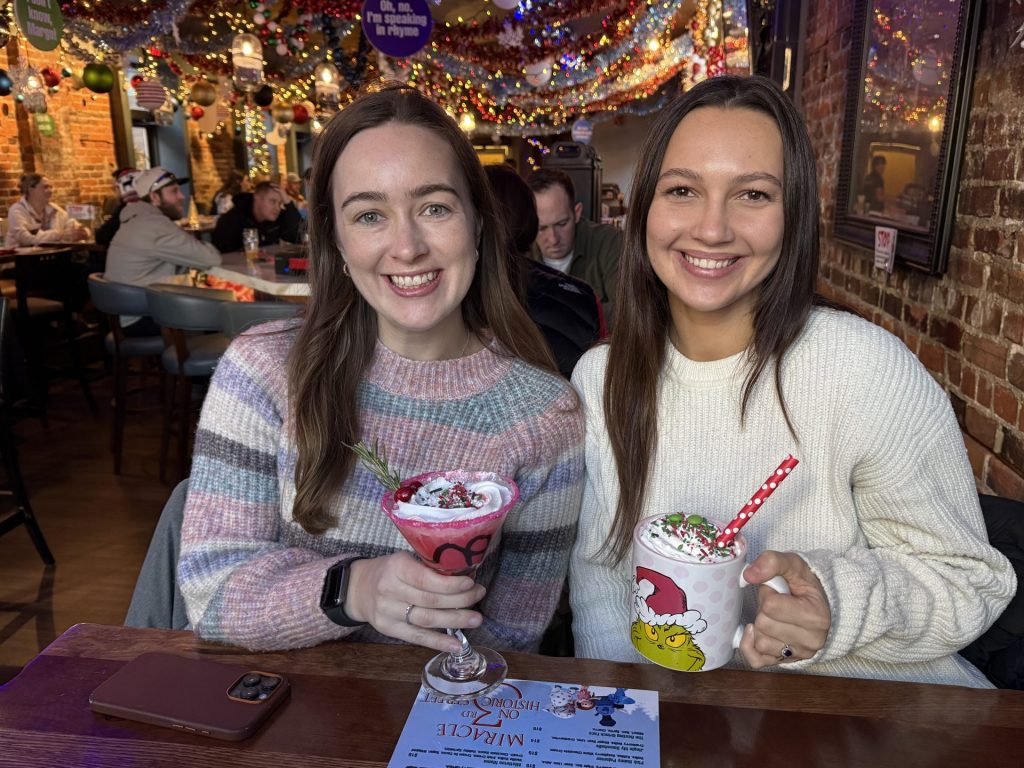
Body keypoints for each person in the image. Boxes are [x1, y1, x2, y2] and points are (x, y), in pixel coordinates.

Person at [568, 75, 1015, 687]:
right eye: (682, 190)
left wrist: (838, 604)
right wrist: (621, 711)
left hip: (877, 714)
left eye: (752, 194)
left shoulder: (862, 369)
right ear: (642, 208)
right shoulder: (600, 379)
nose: (712, 228)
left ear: (793, 217)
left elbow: (969, 580)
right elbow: (601, 581)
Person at [176, 85, 585, 654]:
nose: (407, 246)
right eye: (370, 215)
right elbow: (212, 598)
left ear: (478, 224)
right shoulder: (265, 372)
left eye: (435, 207)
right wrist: (354, 589)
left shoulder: (546, 415)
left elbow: (515, 634)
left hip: (443, 726)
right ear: (338, 243)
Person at [485, 164, 604, 379]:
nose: (553, 238)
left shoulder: (449, 303)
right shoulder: (583, 295)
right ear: (531, 219)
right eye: (543, 228)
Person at [104, 167, 222, 336]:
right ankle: (209, 359)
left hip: (128, 314)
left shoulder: (137, 219)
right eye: (174, 191)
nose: (181, 196)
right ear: (154, 197)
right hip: (141, 319)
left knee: (206, 301)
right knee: (222, 312)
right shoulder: (153, 225)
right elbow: (211, 259)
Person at [527, 168, 623, 325]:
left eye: (562, 224)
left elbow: (629, 311)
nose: (553, 239)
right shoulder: (520, 252)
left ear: (577, 213)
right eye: (541, 228)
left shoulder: (610, 242)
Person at [211, 181, 301, 252]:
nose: (277, 208)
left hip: (266, 271)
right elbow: (222, 256)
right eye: (272, 201)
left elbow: (298, 237)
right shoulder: (232, 220)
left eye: (280, 203)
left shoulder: (276, 217)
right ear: (257, 198)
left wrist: (288, 203)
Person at [4, 174, 90, 247]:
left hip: (50, 259)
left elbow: (73, 224)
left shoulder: (54, 208)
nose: (50, 191)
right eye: (45, 187)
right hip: (21, 261)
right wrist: (60, 235)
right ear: (31, 190)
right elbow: (25, 239)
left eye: (51, 187)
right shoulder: (17, 210)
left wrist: (83, 231)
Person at [95, 168, 140, 246]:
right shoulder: (154, 203)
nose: (114, 191)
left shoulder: (126, 208)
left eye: (115, 187)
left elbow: (101, 237)